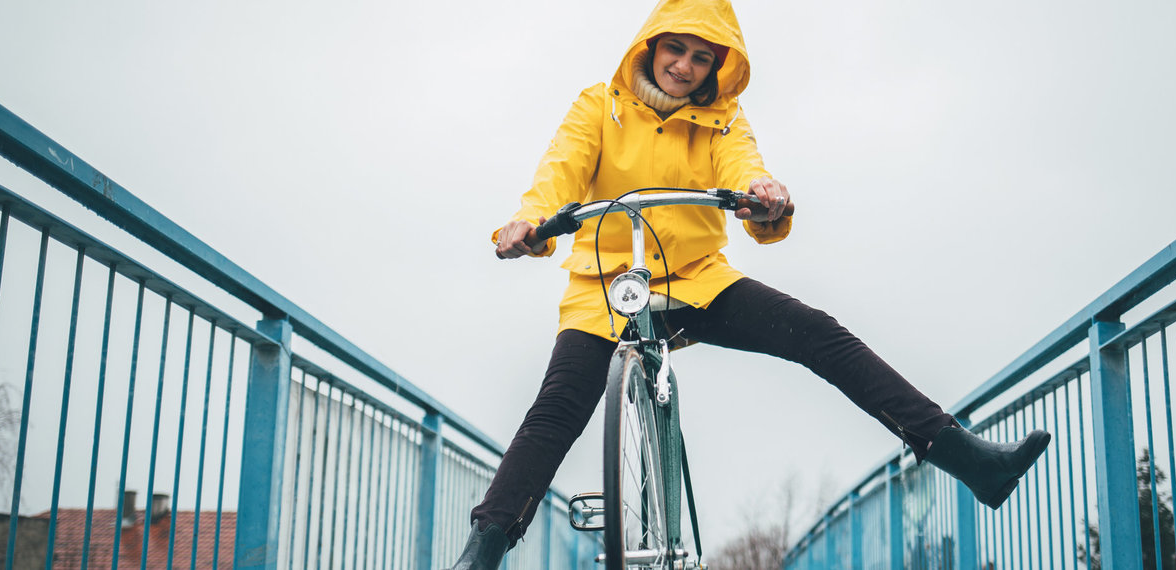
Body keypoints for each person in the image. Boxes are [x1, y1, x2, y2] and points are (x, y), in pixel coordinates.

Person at [449, 1, 1050, 568]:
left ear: (718, 66)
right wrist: (529, 222)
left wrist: (764, 198)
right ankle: (482, 551)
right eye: (675, 50)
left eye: (701, 57)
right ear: (650, 46)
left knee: (819, 334)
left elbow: (745, 169)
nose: (684, 66)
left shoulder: (723, 119)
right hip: (604, 288)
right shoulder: (597, 107)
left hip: (696, 280)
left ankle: (968, 458)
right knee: (554, 412)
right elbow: (560, 170)